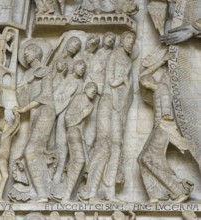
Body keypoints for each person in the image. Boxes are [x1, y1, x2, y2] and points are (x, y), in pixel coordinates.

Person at [79, 31, 136, 202]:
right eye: (128, 38)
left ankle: (109, 191)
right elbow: (110, 80)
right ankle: (91, 190)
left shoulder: (128, 60)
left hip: (119, 106)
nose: (131, 42)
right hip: (108, 101)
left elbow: (129, 92)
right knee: (104, 144)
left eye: (133, 40)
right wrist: (123, 80)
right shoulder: (113, 55)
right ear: (122, 40)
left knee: (116, 146)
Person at [138, 53, 194, 203]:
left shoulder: (161, 88)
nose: (142, 82)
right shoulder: (157, 89)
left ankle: (178, 190)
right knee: (142, 159)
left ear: (150, 80)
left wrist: (165, 128)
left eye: (145, 81)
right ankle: (155, 194)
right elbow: (143, 75)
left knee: (146, 159)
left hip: (163, 127)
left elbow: (167, 114)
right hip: (159, 127)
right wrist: (161, 60)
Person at [15, 63, 56, 203]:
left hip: (46, 112)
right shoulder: (33, 76)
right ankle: (41, 190)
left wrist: (24, 108)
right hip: (40, 112)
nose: (26, 54)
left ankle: (42, 193)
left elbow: (46, 95)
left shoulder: (46, 73)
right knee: (33, 152)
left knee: (31, 151)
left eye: (29, 50)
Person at [55, 82, 97, 202]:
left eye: (95, 91)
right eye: (92, 89)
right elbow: (68, 119)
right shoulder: (80, 97)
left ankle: (68, 194)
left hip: (78, 133)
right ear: (86, 89)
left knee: (82, 163)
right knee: (79, 161)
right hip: (73, 131)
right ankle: (66, 196)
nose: (94, 92)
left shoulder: (89, 104)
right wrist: (84, 113)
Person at [0, 109, 20, 202]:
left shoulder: (6, 135)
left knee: (1, 178)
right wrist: (16, 115)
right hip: (2, 159)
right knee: (5, 176)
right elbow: (15, 126)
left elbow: (16, 128)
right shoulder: (5, 133)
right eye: (7, 123)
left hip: (0, 159)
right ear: (5, 125)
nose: (9, 124)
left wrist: (18, 118)